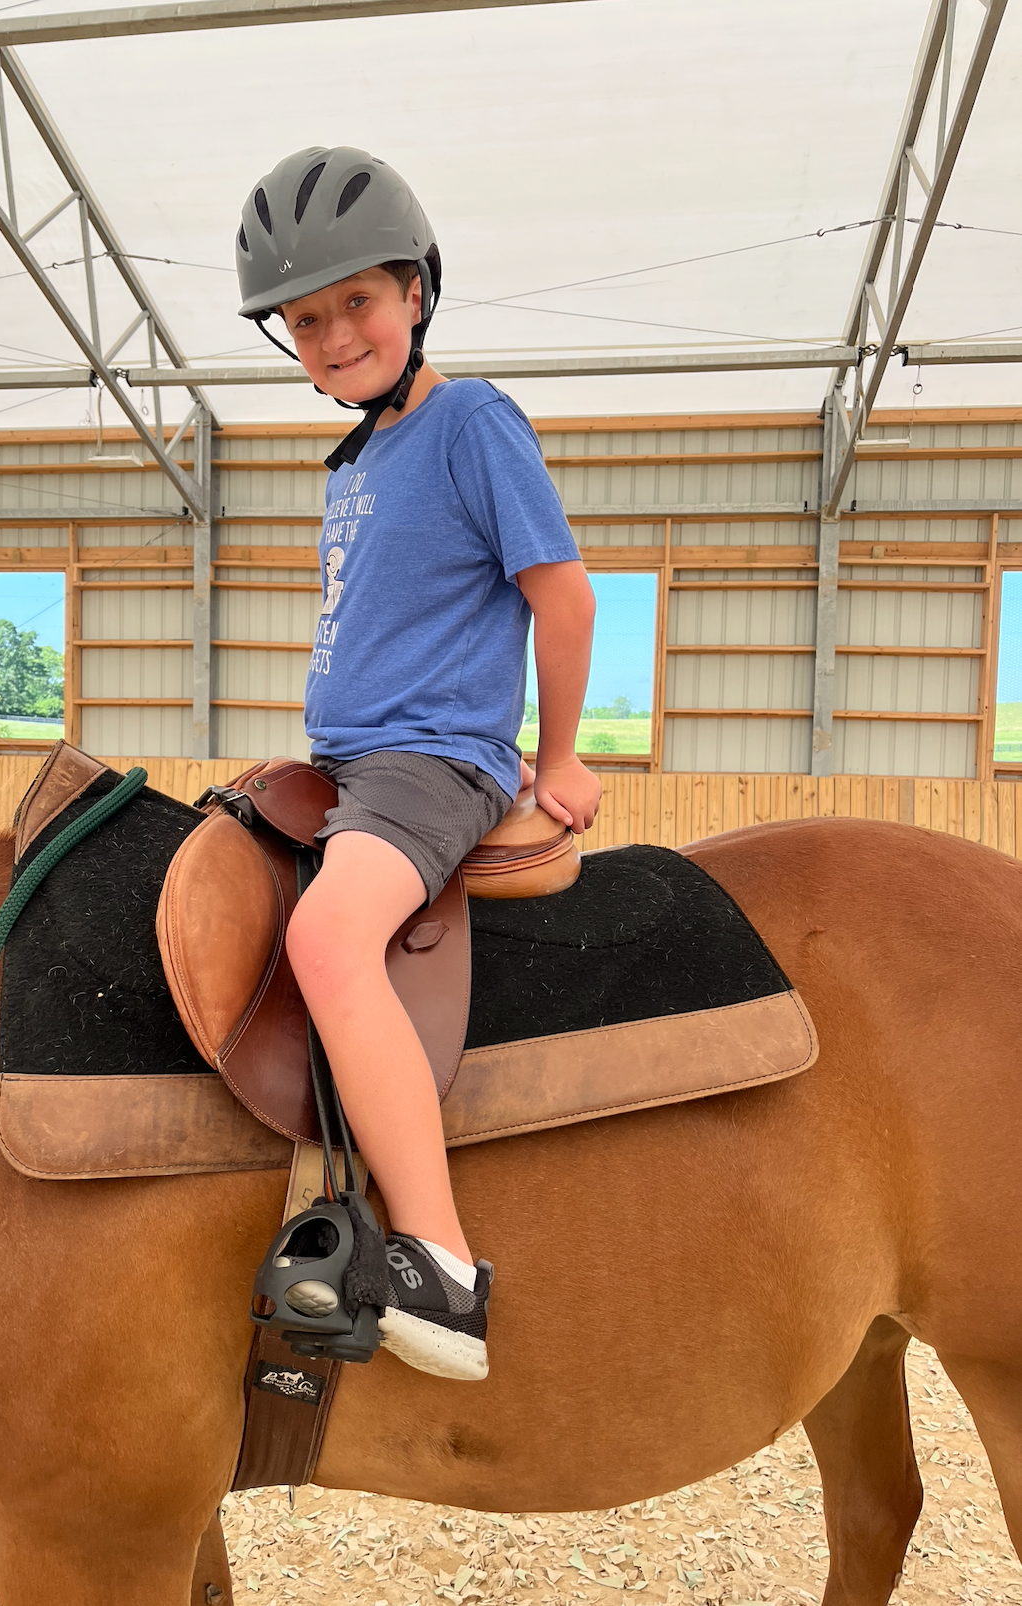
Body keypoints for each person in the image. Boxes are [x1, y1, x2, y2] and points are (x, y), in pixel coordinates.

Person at [235, 146, 600, 1381]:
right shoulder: (363, 456)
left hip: (427, 763)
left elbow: (562, 594)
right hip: (345, 761)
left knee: (329, 942)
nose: (334, 334)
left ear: (417, 295)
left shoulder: (468, 421)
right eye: (306, 318)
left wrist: (554, 757)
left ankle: (438, 1261)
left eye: (357, 302)